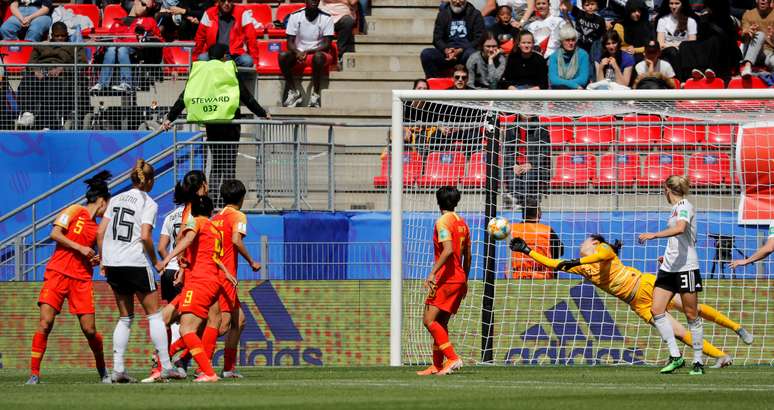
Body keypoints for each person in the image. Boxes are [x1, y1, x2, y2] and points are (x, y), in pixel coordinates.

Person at [509, 233, 753, 368]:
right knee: (678, 332)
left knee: (692, 309)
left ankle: (736, 327)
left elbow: (604, 254)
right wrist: (527, 251)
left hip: (646, 284)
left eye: (584, 240)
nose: (580, 243)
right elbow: (553, 264)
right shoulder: (583, 269)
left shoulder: (603, 250)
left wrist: (576, 262)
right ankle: (722, 356)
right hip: (638, 303)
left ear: (594, 242)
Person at [98, 160, 183, 383]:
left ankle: (118, 370)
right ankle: (165, 365)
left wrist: (103, 260)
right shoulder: (149, 202)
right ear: (151, 181)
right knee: (154, 314)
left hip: (113, 262)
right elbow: (145, 236)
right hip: (134, 261)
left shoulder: (114, 199)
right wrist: (155, 261)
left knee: (125, 317)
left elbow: (100, 232)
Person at [25, 171, 112, 385]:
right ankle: (34, 374)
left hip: (81, 279)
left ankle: (103, 372)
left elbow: (86, 252)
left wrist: (93, 259)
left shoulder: (98, 228)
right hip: (57, 274)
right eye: (106, 205)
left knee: (89, 330)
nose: (106, 210)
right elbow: (55, 234)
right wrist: (81, 248)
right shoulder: (75, 210)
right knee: (45, 323)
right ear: (101, 201)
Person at [162, 44, 270, 207]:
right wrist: (262, 113)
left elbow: (185, 96)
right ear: (225, 56)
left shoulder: (200, 71)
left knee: (217, 163)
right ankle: (228, 201)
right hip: (231, 123)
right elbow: (245, 95)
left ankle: (211, 199)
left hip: (212, 122)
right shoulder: (228, 69)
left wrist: (170, 117)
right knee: (229, 163)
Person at [156, 195, 238, 383]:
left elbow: (188, 239)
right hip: (212, 280)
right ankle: (175, 361)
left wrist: (168, 258)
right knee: (212, 321)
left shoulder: (196, 221)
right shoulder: (214, 228)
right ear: (211, 211)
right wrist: (226, 272)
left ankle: (199, 369)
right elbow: (215, 256)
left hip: (198, 281)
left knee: (184, 328)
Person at [638, 175, 706, 375]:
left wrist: (654, 235)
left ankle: (698, 361)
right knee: (656, 310)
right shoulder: (675, 209)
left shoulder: (684, 205)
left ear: (667, 188)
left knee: (691, 314)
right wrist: (667, 255)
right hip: (669, 267)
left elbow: (681, 228)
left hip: (686, 268)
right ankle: (675, 356)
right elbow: (680, 238)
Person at [416, 186, 471, 376]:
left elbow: (447, 250)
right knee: (441, 323)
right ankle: (437, 365)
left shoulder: (442, 222)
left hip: (446, 279)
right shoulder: (462, 222)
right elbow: (468, 255)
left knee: (428, 320)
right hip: (459, 278)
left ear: (438, 201)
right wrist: (465, 280)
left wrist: (432, 273)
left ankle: (453, 358)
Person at [211, 180, 262, 378]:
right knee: (223, 325)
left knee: (239, 321)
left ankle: (228, 368)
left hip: (214, 274)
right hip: (226, 278)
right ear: (241, 198)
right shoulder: (238, 215)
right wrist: (252, 261)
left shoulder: (216, 218)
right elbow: (236, 240)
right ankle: (186, 349)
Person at [14, 21, 88, 129]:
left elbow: (82, 64)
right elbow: (31, 62)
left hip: (63, 77)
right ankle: (28, 114)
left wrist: (63, 69)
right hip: (41, 73)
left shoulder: (74, 47)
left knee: (52, 83)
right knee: (28, 79)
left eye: (63, 35)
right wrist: (35, 70)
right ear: (51, 35)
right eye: (57, 35)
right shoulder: (41, 46)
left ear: (67, 35)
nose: (60, 38)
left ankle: (49, 123)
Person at [279, 0, 336, 108]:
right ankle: (294, 92)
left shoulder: (326, 17)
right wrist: (297, 52)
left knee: (318, 57)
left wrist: (308, 51)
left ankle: (315, 95)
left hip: (319, 53)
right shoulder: (295, 16)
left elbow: (327, 45)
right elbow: (289, 42)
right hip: (299, 53)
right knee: (282, 56)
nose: (314, 1)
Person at [90, 7, 161, 93]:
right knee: (112, 49)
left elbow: (157, 38)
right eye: (143, 4)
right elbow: (110, 37)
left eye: (147, 7)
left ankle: (126, 83)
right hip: (117, 48)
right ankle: (102, 84)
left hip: (134, 49)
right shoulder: (118, 22)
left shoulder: (148, 20)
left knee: (122, 49)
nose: (144, 8)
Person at [420, 0, 485, 78]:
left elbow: (479, 39)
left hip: (465, 52)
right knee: (427, 54)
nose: (457, 2)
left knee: (473, 54)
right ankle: (435, 84)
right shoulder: (443, 14)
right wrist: (446, 50)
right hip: (447, 53)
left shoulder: (475, 14)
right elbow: (437, 38)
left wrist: (461, 50)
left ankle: (472, 85)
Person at [192, 0, 260, 71]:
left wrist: (255, 60)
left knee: (248, 61)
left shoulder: (242, 12)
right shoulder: (209, 13)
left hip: (234, 54)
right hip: (214, 54)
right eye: (223, 0)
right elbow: (200, 37)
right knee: (201, 58)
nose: (226, 3)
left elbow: (251, 37)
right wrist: (195, 58)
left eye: (229, 0)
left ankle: (237, 80)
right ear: (218, 1)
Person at [509, 200, 562, 279]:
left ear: (523, 215)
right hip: (544, 279)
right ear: (539, 213)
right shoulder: (547, 230)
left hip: (519, 278)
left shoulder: (512, 229)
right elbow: (559, 252)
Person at [656, 0, 698, 75]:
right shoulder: (662, 20)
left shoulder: (691, 21)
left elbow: (692, 43)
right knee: (673, 51)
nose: (674, 6)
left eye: (677, 3)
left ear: (682, 5)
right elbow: (660, 43)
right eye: (671, 3)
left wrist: (680, 46)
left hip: (685, 51)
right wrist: (676, 46)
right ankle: (679, 80)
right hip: (667, 51)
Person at [547, 24, 590, 88]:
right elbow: (553, 80)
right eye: (567, 40)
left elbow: (583, 80)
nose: (571, 43)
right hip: (559, 92)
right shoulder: (554, 56)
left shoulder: (583, 54)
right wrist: (574, 85)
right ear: (561, 41)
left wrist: (562, 82)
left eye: (573, 40)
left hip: (577, 93)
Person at [739, 0, 774, 77]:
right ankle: (747, 66)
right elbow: (743, 36)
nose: (763, 0)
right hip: (751, 51)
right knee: (760, 34)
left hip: (769, 53)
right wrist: (747, 32)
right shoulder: (748, 14)